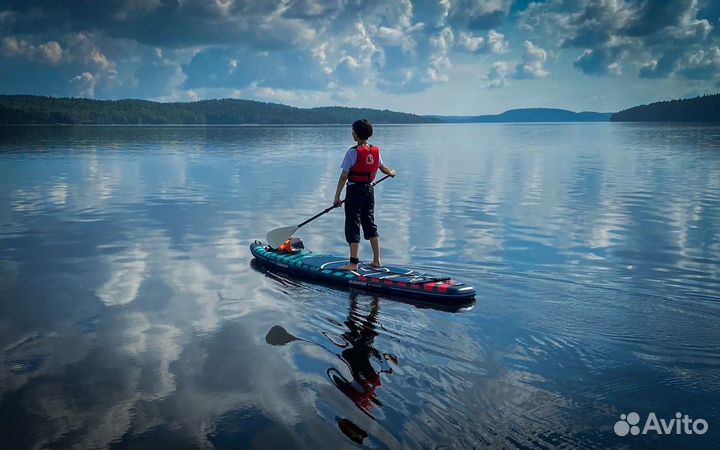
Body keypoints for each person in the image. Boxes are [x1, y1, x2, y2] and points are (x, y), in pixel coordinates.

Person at [333, 119, 396, 271]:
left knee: (353, 223)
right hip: (369, 190)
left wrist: (337, 197)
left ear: (357, 133)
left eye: (353, 130)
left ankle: (353, 263)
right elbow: (382, 167)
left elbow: (344, 176)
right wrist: (391, 172)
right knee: (369, 222)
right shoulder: (374, 150)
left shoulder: (352, 152)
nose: (352, 133)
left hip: (355, 191)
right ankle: (377, 261)